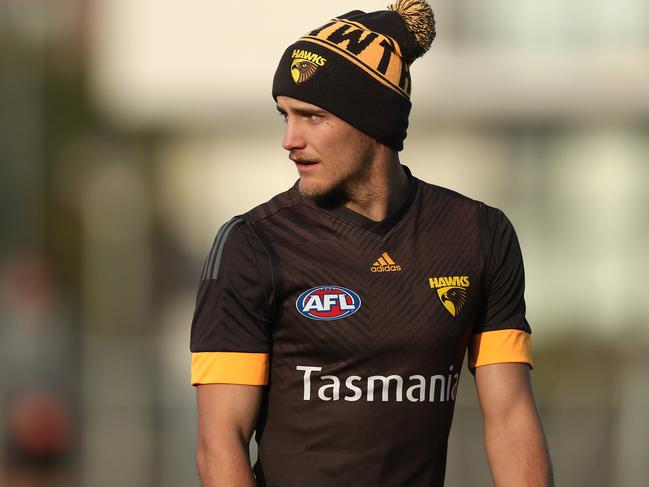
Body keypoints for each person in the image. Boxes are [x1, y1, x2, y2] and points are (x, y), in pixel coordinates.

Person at [190, 1, 554, 485]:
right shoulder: (252, 245)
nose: (289, 139)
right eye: (285, 115)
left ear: (374, 121)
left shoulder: (479, 235)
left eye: (312, 116)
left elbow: (510, 421)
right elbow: (220, 443)